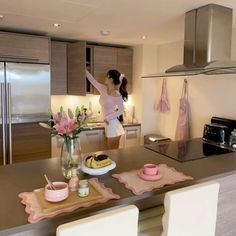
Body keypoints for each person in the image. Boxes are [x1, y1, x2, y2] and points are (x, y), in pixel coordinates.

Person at [86, 69, 128, 149]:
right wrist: (85, 71)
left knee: (112, 153)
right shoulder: (103, 89)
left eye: (106, 76)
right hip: (109, 125)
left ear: (111, 79)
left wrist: (107, 118)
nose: (105, 78)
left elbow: (121, 110)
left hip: (113, 126)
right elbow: (92, 80)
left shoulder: (116, 93)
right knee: (111, 153)